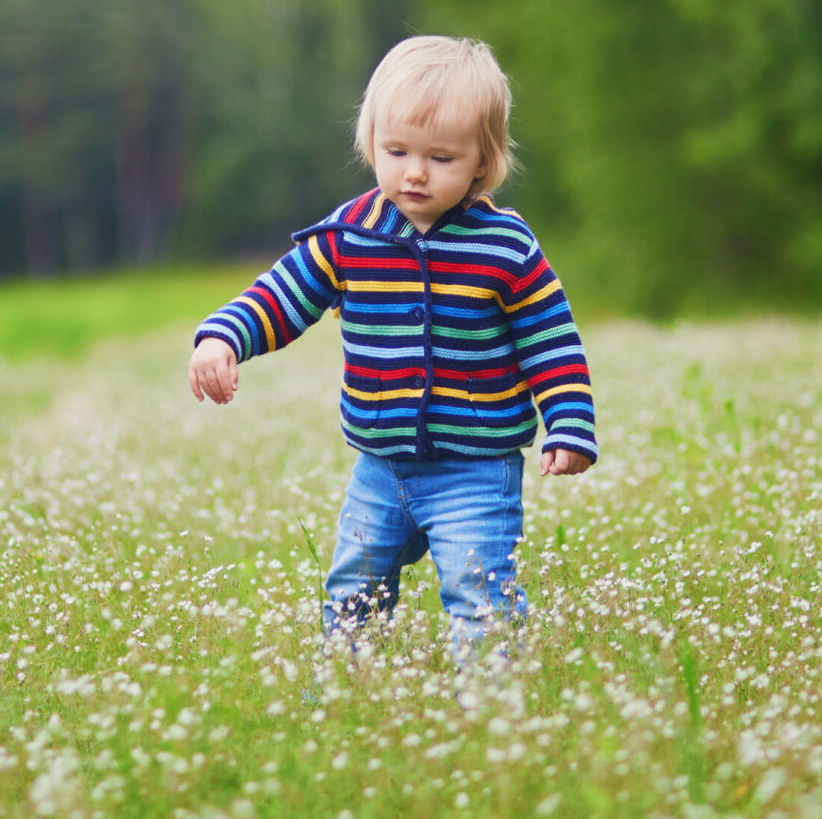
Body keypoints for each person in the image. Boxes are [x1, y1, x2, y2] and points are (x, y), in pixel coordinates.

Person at [188, 35, 596, 663]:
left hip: (478, 470)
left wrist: (569, 423)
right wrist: (224, 335)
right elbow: (283, 294)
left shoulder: (505, 246)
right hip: (380, 469)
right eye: (397, 150)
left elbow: (550, 338)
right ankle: (345, 697)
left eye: (440, 157)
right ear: (371, 142)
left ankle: (489, 716)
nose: (414, 172)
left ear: (481, 163)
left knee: (479, 592)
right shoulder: (352, 233)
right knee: (353, 592)